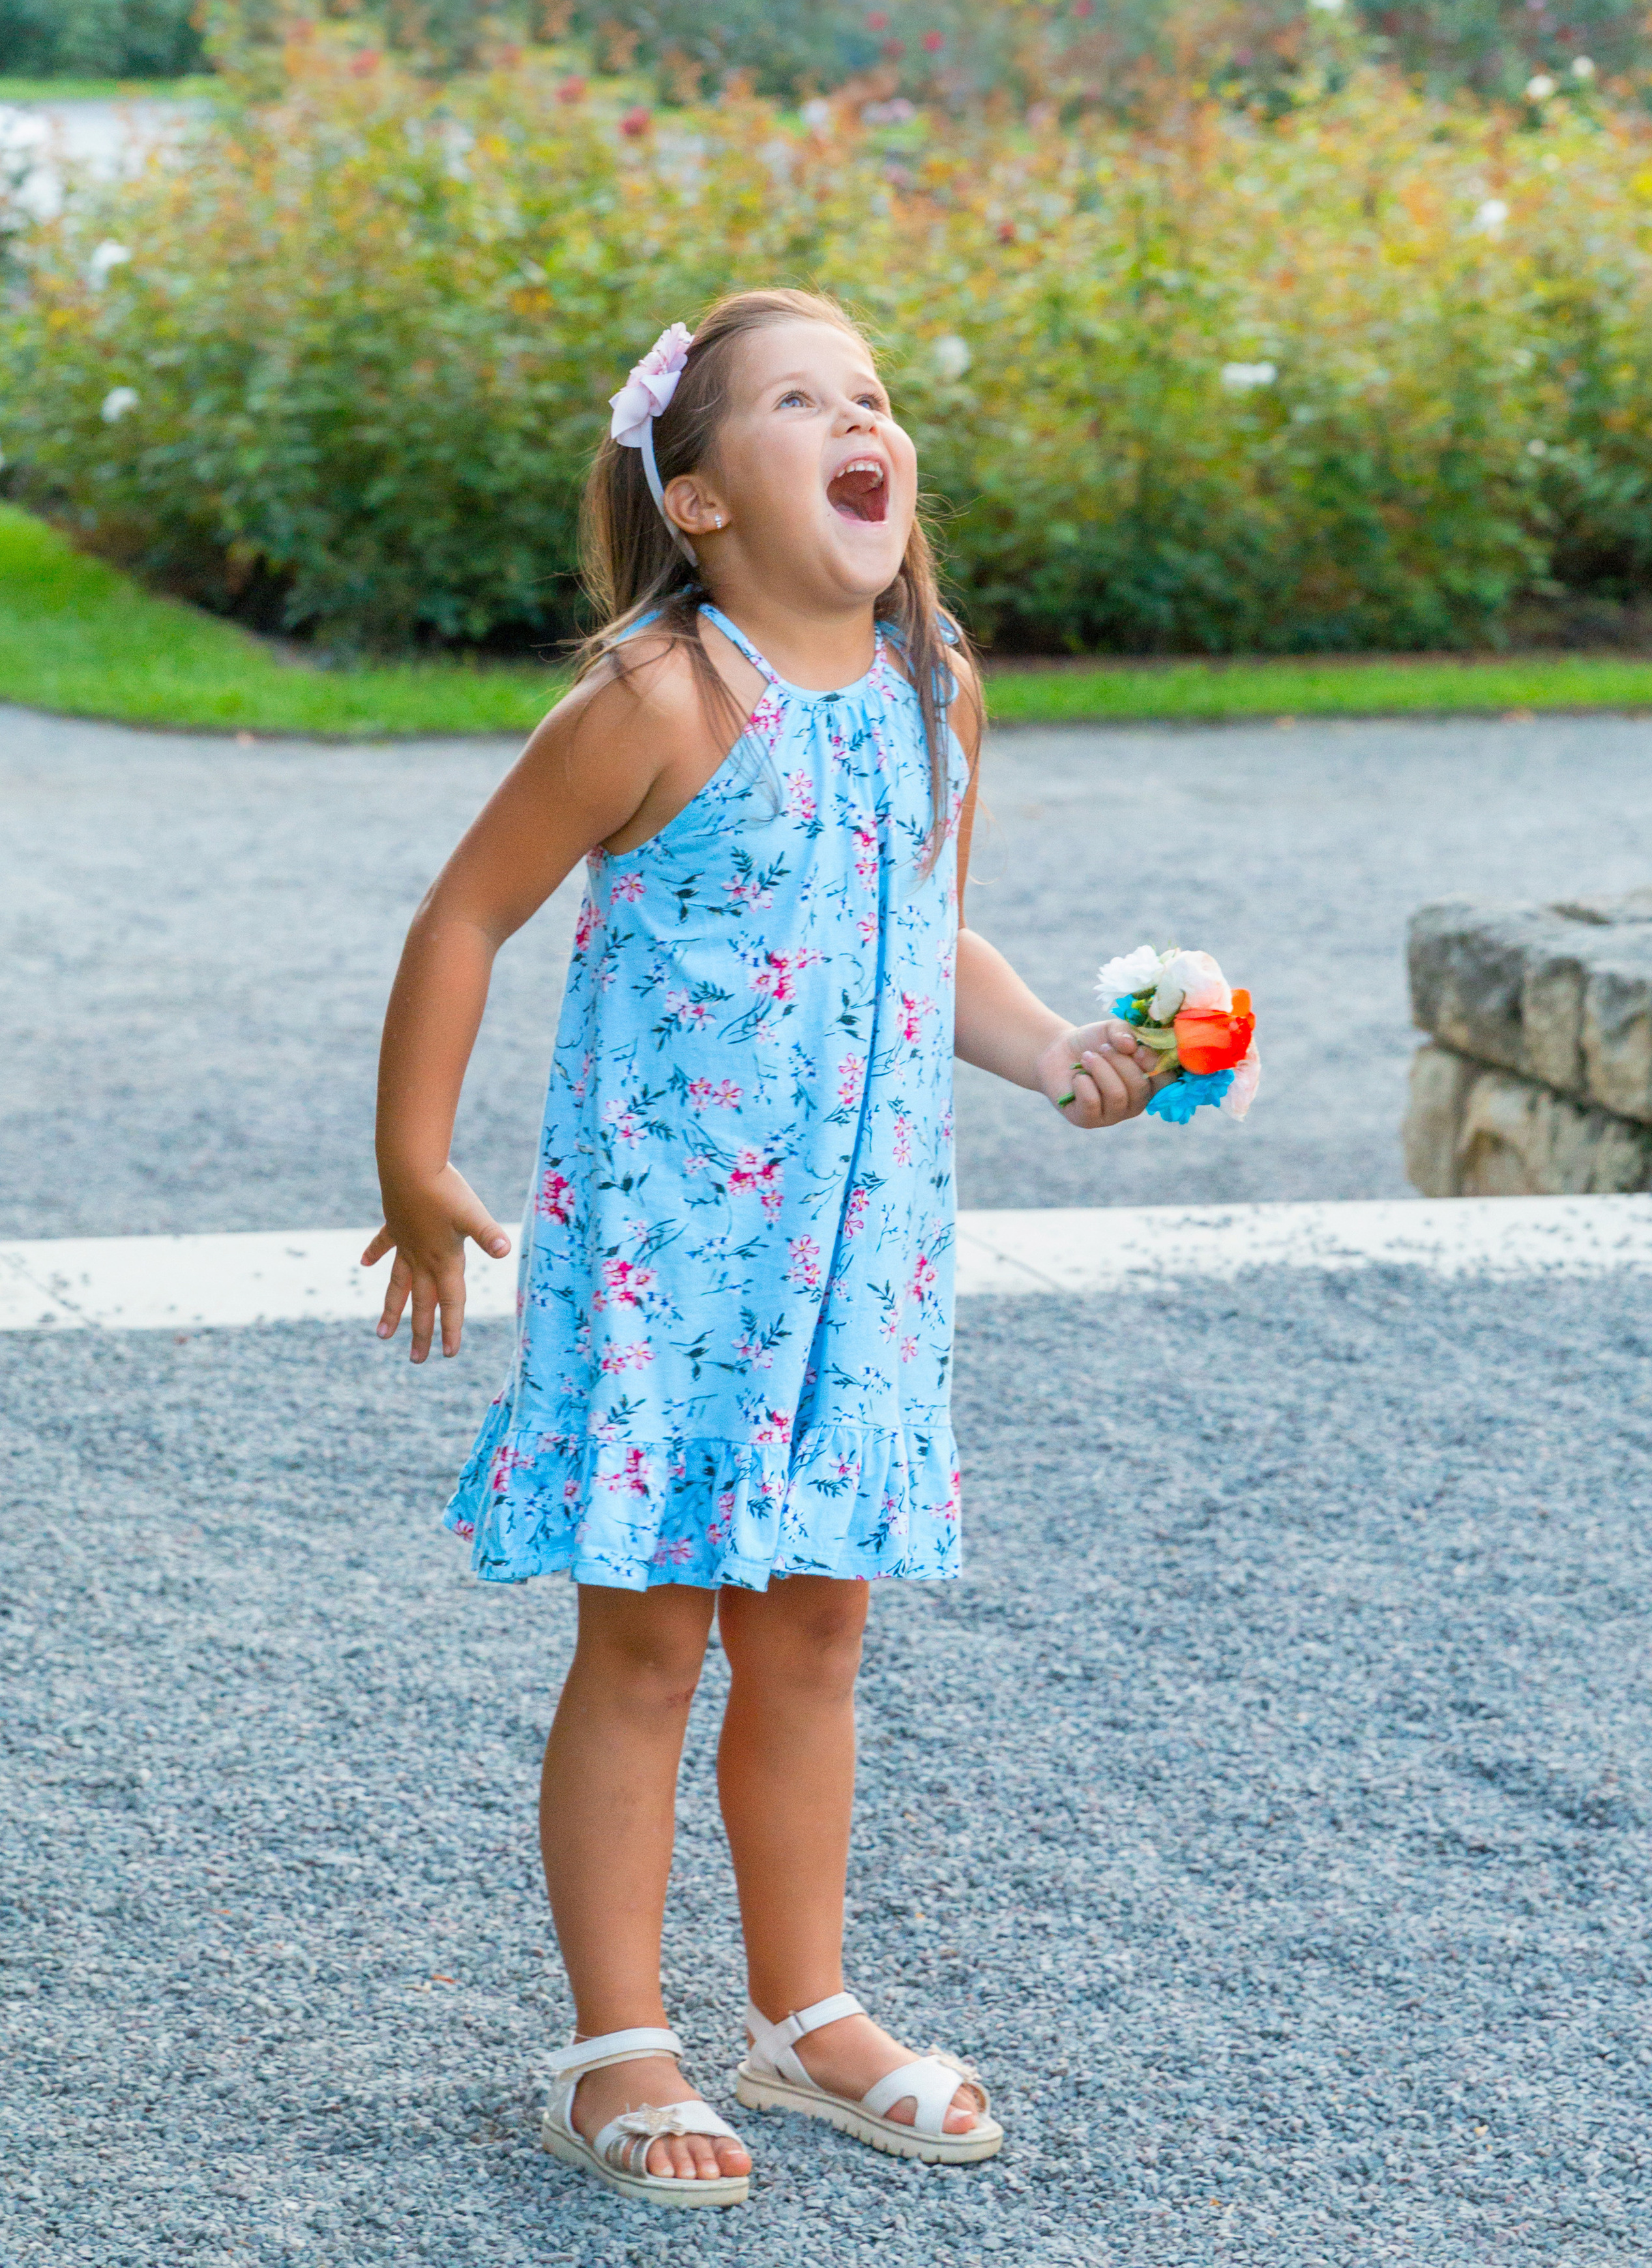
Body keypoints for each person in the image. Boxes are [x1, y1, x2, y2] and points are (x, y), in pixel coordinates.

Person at [365, 288, 1154, 2208]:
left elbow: (924, 927)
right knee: (644, 1644)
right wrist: (412, 1162)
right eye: (800, 401)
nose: (856, 419)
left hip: (857, 1273)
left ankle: (803, 2015)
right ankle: (615, 2043)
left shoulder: (931, 691)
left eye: (870, 396)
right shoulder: (660, 700)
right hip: (668, 1268)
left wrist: (1048, 1043)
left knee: (815, 1633)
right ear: (701, 498)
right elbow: (468, 915)